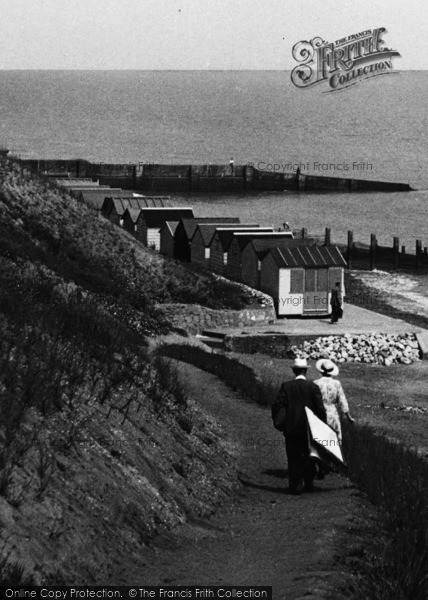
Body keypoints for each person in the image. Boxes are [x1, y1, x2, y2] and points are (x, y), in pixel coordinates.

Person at [271, 358, 327, 494]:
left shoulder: (286, 386)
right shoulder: (313, 387)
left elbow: (277, 405)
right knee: (309, 455)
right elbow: (320, 409)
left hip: (292, 428)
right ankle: (308, 483)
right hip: (309, 428)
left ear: (294, 370)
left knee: (293, 456)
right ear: (306, 370)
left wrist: (280, 423)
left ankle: (295, 485)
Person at [313, 359, 355, 445]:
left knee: (320, 440)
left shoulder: (316, 383)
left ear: (321, 370)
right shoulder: (336, 383)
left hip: (319, 413)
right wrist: (349, 417)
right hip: (332, 413)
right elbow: (343, 402)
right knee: (334, 441)